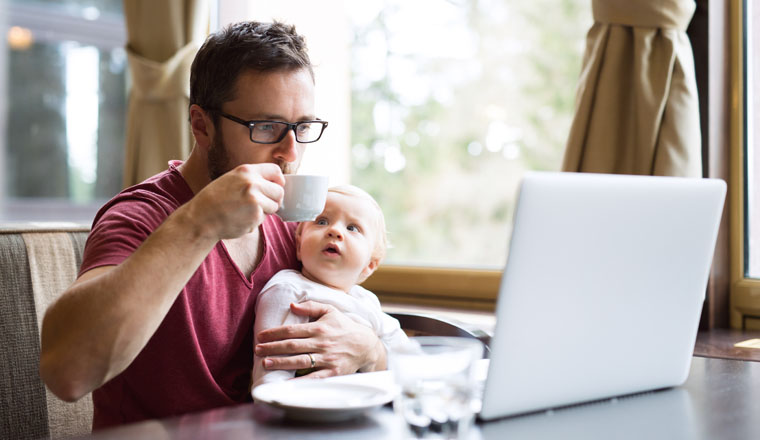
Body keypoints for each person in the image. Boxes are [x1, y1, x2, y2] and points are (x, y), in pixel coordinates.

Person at [38, 21, 388, 429]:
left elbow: (349, 334)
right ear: (202, 125)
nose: (290, 153)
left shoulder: (291, 226)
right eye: (267, 127)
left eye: (303, 128)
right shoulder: (140, 216)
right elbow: (66, 373)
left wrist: (369, 349)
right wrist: (200, 222)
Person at [251, 185, 408, 389]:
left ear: (370, 264)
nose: (334, 231)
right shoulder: (287, 289)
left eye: (352, 228)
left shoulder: (366, 301)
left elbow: (405, 357)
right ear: (299, 246)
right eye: (322, 221)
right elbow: (270, 370)